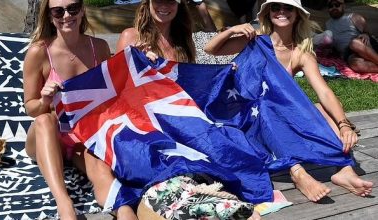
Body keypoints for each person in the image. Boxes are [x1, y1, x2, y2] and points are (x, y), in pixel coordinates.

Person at [204, 0, 373, 202]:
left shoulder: (301, 53)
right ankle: (298, 173)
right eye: (275, 7)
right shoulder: (255, 41)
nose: (281, 11)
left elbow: (324, 92)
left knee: (320, 108)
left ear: (297, 14)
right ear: (268, 14)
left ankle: (344, 168)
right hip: (250, 117)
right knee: (265, 106)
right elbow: (210, 49)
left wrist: (344, 124)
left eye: (288, 7)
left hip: (281, 116)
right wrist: (232, 30)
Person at [116, 1, 261, 219]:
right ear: (147, 3)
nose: (164, 6)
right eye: (159, 1)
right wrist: (137, 64)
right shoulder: (131, 36)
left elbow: (189, 87)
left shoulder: (183, 42)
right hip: (145, 125)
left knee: (232, 143)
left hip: (179, 123)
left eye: (171, 1)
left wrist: (220, 75)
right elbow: (117, 91)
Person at [22, 0, 137, 219]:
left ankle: (124, 209)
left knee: (101, 172)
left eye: (73, 8)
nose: (66, 15)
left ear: (83, 10)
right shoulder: (39, 52)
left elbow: (115, 94)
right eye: (58, 11)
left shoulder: (99, 48)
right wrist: (45, 99)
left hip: (82, 136)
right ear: (49, 16)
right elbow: (31, 108)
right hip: (47, 136)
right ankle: (64, 204)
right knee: (45, 120)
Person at [326, 0, 378, 73]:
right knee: (356, 65)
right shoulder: (328, 24)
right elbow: (333, 42)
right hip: (348, 53)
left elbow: (367, 32)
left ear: (343, 6)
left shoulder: (353, 17)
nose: (334, 7)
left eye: (337, 5)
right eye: (330, 6)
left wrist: (365, 34)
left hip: (364, 45)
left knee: (354, 43)